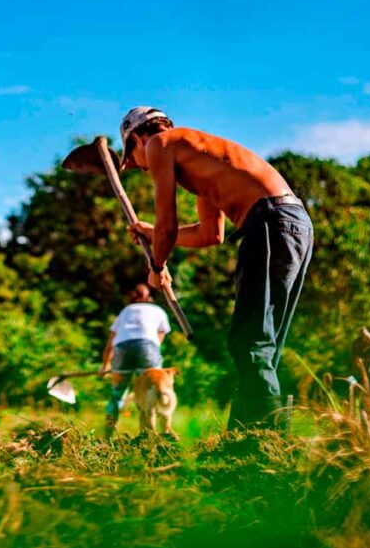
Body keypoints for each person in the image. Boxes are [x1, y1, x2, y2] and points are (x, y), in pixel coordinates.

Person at [121, 107, 313, 430]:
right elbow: (211, 234)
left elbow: (169, 225)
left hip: (268, 221)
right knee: (261, 345)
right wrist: (151, 233)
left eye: (133, 158)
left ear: (138, 138)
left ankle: (266, 442)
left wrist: (157, 265)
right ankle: (245, 439)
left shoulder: (159, 144)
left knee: (250, 342)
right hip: (293, 224)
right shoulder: (199, 157)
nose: (140, 168)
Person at [100, 283, 171, 435]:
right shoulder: (158, 311)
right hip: (147, 348)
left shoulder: (126, 311)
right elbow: (160, 337)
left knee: (117, 394)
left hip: (122, 349)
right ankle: (148, 436)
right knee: (148, 393)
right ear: (149, 297)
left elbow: (111, 342)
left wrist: (105, 365)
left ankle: (106, 436)